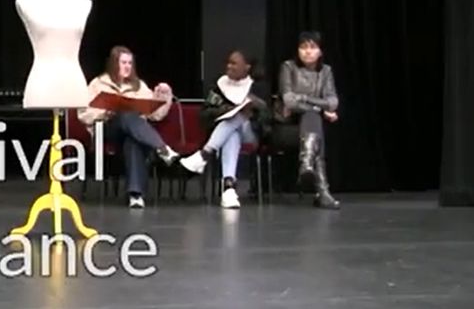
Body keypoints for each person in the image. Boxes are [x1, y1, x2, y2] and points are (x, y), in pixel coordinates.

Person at [77, 46, 181, 209]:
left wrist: (164, 97)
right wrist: (106, 111)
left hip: (132, 133)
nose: (127, 66)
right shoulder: (98, 84)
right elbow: (83, 114)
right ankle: (162, 149)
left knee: (132, 141)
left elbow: (155, 115)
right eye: (123, 62)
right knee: (125, 114)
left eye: (130, 63)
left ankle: (135, 195)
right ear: (113, 64)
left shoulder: (139, 86)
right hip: (106, 130)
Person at [179, 50, 271, 209]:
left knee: (238, 117)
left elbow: (268, 117)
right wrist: (227, 110)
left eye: (234, 63)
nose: (229, 66)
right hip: (225, 134)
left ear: (247, 67)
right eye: (228, 62)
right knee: (232, 132)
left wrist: (255, 106)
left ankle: (204, 155)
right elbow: (205, 113)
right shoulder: (219, 86)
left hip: (251, 135)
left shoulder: (257, 87)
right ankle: (229, 189)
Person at [277, 30, 340, 209]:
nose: (307, 51)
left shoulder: (326, 71)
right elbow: (288, 100)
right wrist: (319, 108)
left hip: (311, 126)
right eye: (303, 47)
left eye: (312, 47)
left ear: (320, 51)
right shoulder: (288, 67)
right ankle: (322, 191)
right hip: (288, 125)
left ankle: (307, 164)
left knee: (313, 121)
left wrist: (304, 99)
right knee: (314, 120)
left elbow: (333, 102)